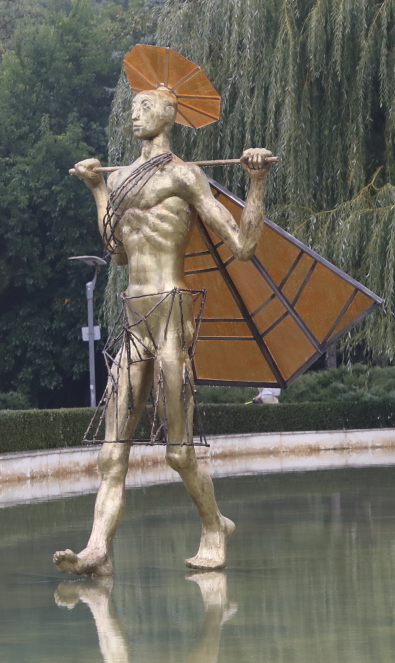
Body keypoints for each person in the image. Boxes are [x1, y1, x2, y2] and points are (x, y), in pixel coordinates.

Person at [53, 86, 274, 576]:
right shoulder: (123, 177)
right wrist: (96, 189)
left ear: (170, 115)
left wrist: (256, 182)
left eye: (146, 107)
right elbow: (116, 251)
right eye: (133, 108)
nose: (136, 115)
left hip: (172, 311)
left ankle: (215, 528)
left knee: (178, 450)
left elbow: (242, 245)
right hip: (134, 311)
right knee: (112, 452)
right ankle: (97, 549)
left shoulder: (185, 175)